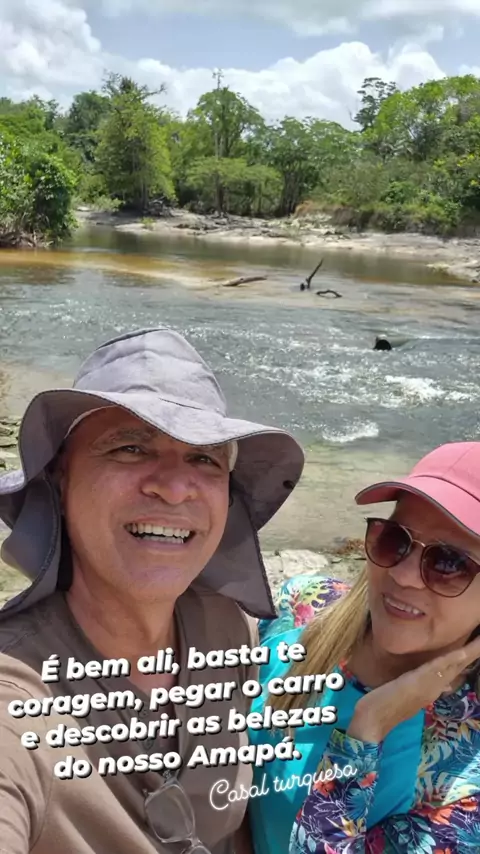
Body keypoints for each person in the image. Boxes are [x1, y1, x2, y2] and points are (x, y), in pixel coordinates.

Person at [0, 326, 304, 854]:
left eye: (204, 459)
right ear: (61, 482)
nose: (175, 486)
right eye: (130, 447)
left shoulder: (223, 628)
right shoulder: (19, 703)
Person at [247, 442, 480, 853]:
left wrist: (364, 734)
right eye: (395, 540)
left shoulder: (461, 779)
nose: (404, 576)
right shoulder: (302, 607)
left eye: (448, 563)